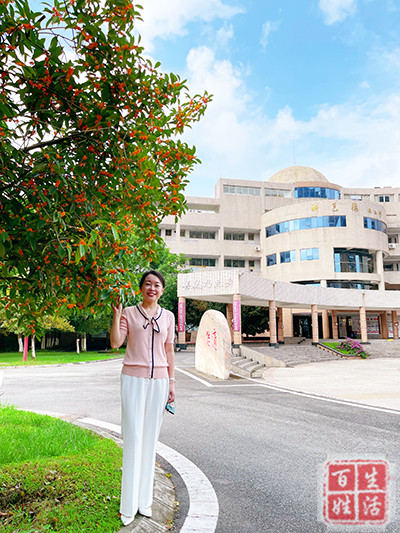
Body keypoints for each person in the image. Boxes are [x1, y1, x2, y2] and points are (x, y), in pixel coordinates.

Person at [110, 270, 175, 527]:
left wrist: (171, 382)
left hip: (159, 382)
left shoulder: (168, 316)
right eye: (148, 283)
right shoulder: (129, 312)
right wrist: (116, 317)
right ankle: (127, 506)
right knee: (134, 439)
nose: (152, 288)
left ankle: (144, 502)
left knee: (150, 440)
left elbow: (168, 350)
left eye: (157, 284)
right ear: (141, 288)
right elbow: (116, 343)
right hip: (133, 380)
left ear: (162, 290)